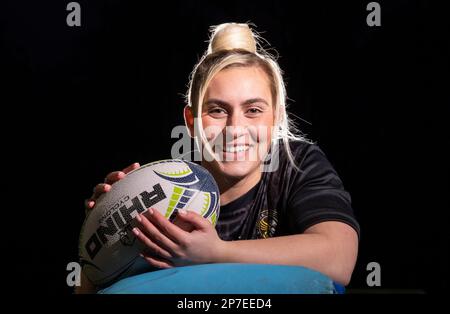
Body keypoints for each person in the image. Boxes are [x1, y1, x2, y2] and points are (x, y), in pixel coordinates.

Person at [77, 23, 359, 293]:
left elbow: (339, 259)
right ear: (191, 121)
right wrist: (101, 232)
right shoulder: (163, 194)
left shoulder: (297, 164)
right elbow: (94, 289)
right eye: (217, 110)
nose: (235, 129)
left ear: (277, 116)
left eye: (253, 110)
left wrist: (214, 252)